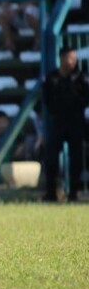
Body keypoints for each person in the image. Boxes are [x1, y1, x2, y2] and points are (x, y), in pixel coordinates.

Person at [43, 47, 89, 202]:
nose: (73, 61)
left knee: (76, 158)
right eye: (70, 57)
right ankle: (51, 193)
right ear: (62, 58)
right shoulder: (51, 78)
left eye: (74, 58)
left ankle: (74, 193)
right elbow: (47, 100)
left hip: (76, 122)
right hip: (57, 122)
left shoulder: (81, 77)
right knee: (51, 158)